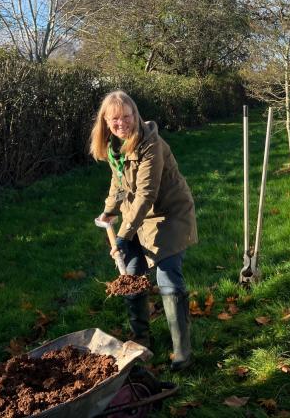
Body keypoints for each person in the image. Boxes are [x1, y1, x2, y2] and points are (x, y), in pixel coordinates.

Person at [90, 90, 198, 371]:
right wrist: (109, 211)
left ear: (135, 115)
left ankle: (182, 353)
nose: (122, 123)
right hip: (135, 217)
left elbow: (146, 194)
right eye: (115, 118)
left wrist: (124, 235)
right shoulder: (116, 146)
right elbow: (119, 183)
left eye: (127, 116)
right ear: (106, 121)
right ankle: (141, 341)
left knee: (167, 277)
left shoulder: (151, 144)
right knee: (132, 276)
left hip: (168, 215)